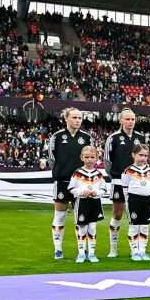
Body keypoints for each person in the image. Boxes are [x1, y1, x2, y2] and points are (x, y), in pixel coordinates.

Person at [47, 107, 94, 260]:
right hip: (62, 182)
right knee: (59, 216)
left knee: (81, 218)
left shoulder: (87, 138)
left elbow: (91, 159)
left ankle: (82, 250)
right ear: (66, 119)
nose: (77, 120)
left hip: (81, 183)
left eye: (79, 118)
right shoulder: (57, 137)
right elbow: (52, 160)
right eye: (74, 117)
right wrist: (61, 172)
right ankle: (58, 249)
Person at [103, 108, 139, 257]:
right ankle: (113, 249)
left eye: (133, 119)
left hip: (136, 182)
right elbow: (107, 162)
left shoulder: (140, 137)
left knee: (135, 215)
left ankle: (135, 249)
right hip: (118, 181)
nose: (130, 122)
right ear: (121, 120)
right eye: (127, 119)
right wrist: (115, 176)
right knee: (117, 214)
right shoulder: (113, 138)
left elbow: (144, 158)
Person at [68, 145, 107, 263]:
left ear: (96, 158)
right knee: (82, 228)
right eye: (87, 157)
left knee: (92, 228)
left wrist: (97, 193)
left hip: (95, 203)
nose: (89, 160)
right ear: (82, 158)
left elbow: (104, 189)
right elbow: (71, 188)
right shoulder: (77, 173)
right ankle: (81, 253)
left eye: (92, 157)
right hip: (82, 203)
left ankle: (91, 254)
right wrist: (81, 192)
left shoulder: (98, 174)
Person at [121, 143, 150, 261]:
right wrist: (127, 202)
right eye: (140, 155)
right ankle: (134, 251)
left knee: (144, 226)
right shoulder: (128, 170)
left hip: (147, 200)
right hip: (134, 200)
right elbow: (125, 188)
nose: (143, 158)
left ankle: (142, 250)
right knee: (134, 226)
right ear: (133, 155)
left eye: (145, 156)